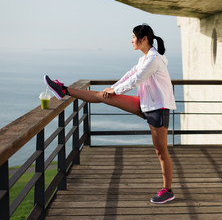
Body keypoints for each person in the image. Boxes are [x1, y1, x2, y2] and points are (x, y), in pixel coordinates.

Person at [44, 24, 176, 204]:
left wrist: (116, 90)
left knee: (161, 152)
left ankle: (167, 190)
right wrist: (113, 89)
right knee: (103, 96)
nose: (131, 40)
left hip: (158, 109)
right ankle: (63, 89)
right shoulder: (144, 58)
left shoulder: (153, 59)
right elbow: (130, 74)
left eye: (133, 37)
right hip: (144, 104)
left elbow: (136, 80)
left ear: (143, 39)